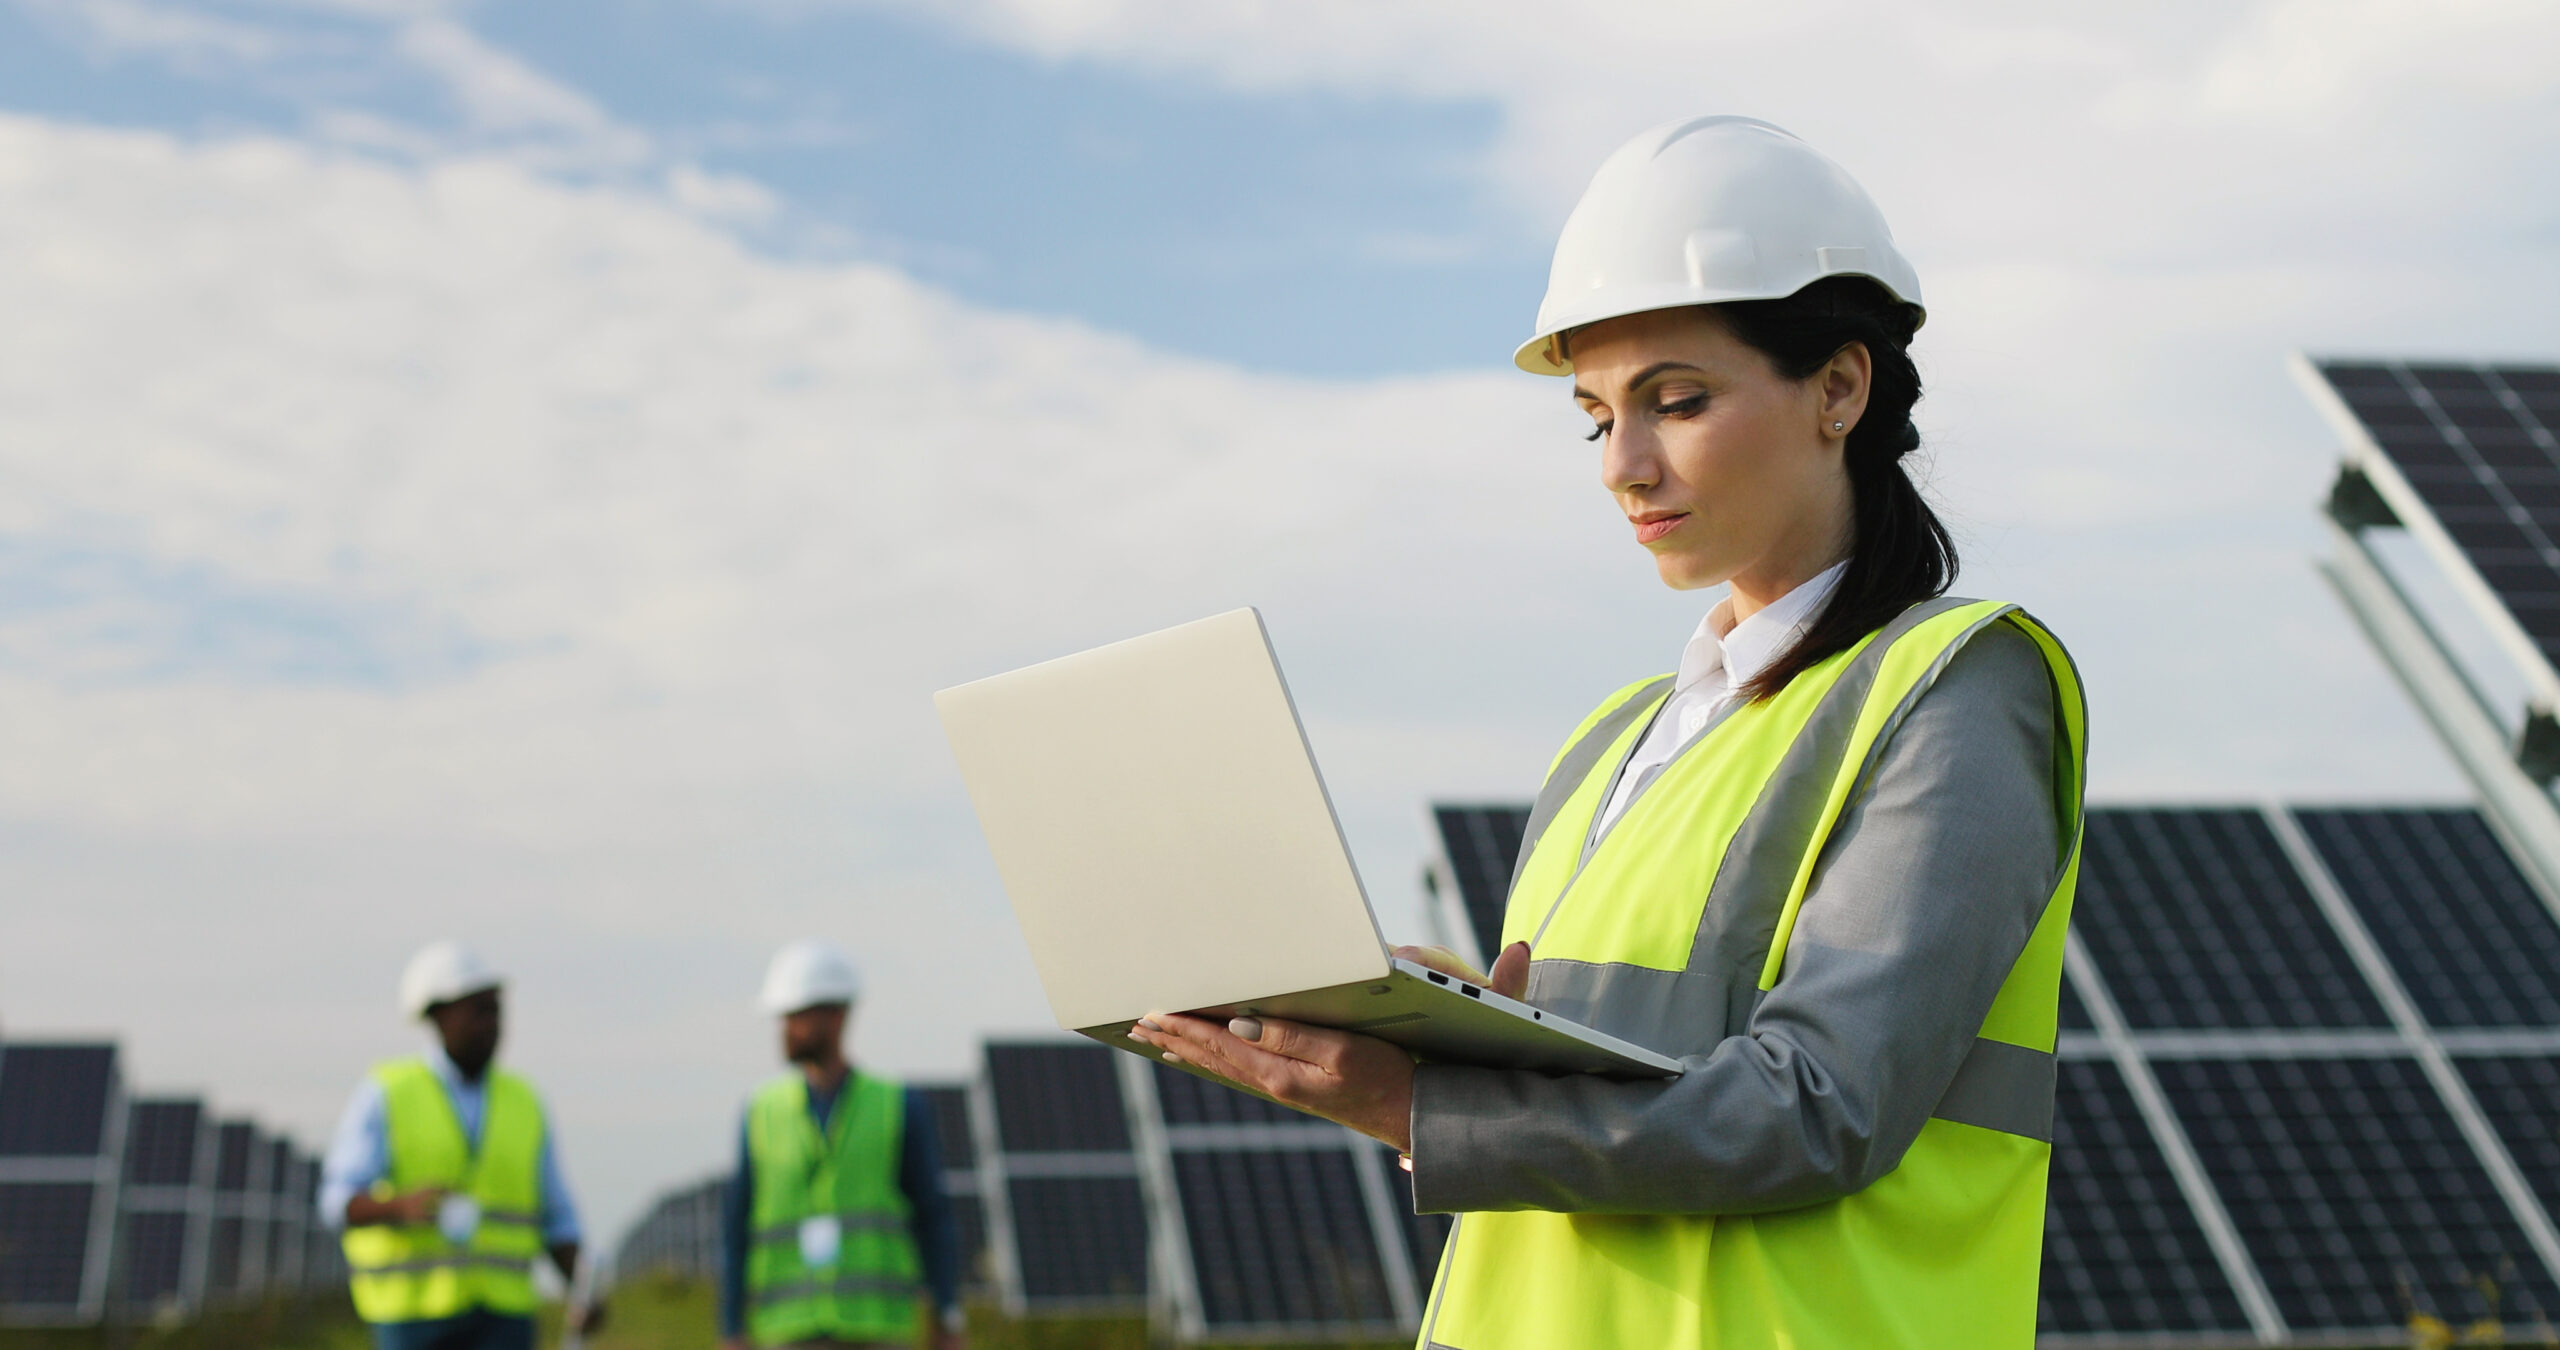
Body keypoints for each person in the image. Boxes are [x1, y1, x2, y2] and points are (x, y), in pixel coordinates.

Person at [1127, 116, 2086, 1348]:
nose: (1621, 466)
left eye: (1674, 402)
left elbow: (1820, 1106)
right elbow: (1628, 1061)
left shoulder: (1951, 687)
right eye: (1593, 417)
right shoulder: (1616, 740)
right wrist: (1434, 1014)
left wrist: (1422, 1107)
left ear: (1839, 388)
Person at [320, 941, 601, 1350]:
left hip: (504, 1320)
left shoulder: (525, 1102)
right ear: (437, 1015)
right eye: (478, 1010)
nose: (491, 1023)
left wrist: (583, 1291)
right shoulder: (387, 1092)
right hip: (412, 1320)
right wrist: (399, 1207)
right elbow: (337, 1199)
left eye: (495, 1009)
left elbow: (556, 1217)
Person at [720, 941, 965, 1350]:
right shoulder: (760, 1111)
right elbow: (735, 1226)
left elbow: (933, 1217)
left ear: (835, 1015)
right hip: (787, 1329)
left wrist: (947, 1314)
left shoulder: (897, 1104)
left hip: (878, 1329)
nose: (785, 1029)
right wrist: (731, 1328)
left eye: (796, 1016)